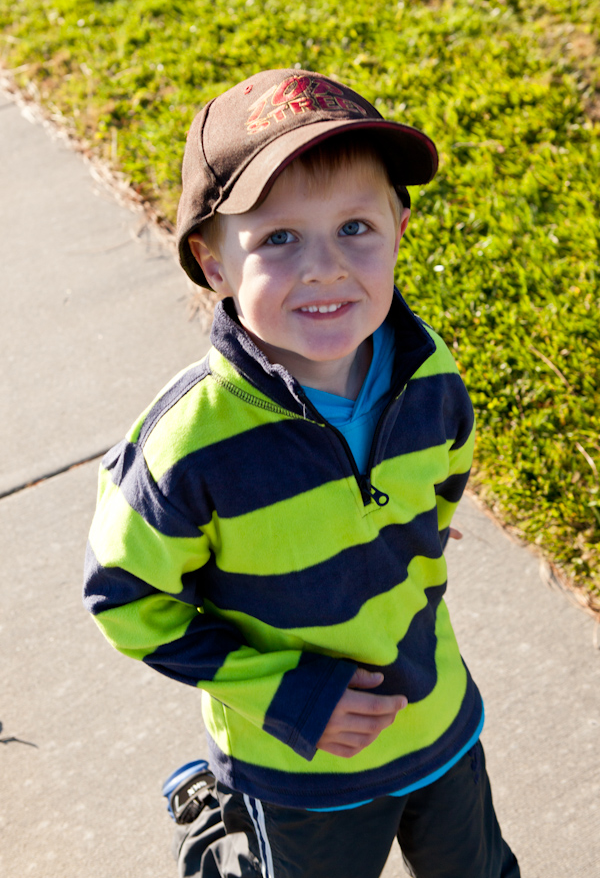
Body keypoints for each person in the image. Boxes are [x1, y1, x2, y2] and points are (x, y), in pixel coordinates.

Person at [83, 68, 520, 878]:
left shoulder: (429, 376)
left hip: (436, 716)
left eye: (356, 226)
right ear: (212, 264)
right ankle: (221, 821)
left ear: (399, 224)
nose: (324, 267)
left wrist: (416, 524)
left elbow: (451, 464)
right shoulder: (189, 447)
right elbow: (124, 594)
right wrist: (286, 696)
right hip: (299, 765)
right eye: (279, 238)